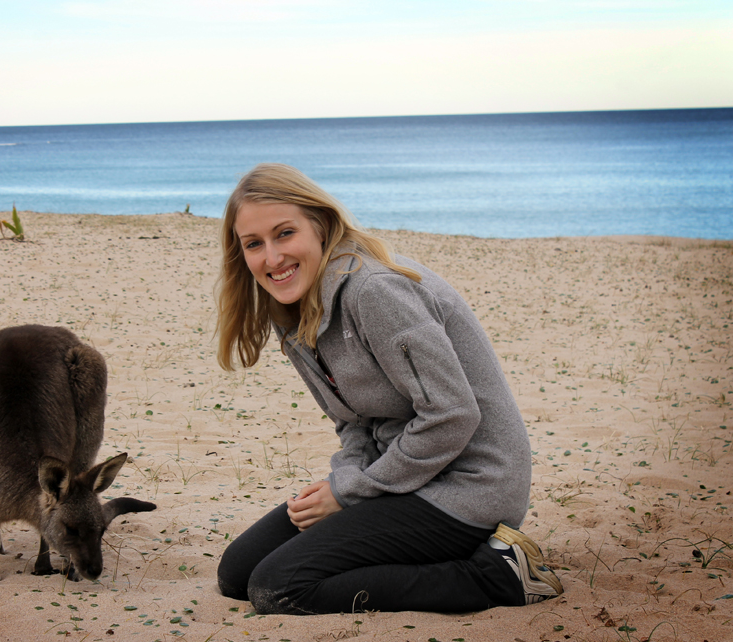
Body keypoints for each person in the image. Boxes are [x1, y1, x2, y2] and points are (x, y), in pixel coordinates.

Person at [214, 163, 563, 615]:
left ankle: (496, 576)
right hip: (401, 479)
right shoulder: (295, 309)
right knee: (237, 574)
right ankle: (426, 552)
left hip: (471, 485)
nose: (273, 257)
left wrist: (349, 492)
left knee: (278, 587)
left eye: (285, 233)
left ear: (319, 225)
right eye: (254, 244)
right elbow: (352, 420)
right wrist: (347, 482)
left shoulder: (373, 292)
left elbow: (453, 415)